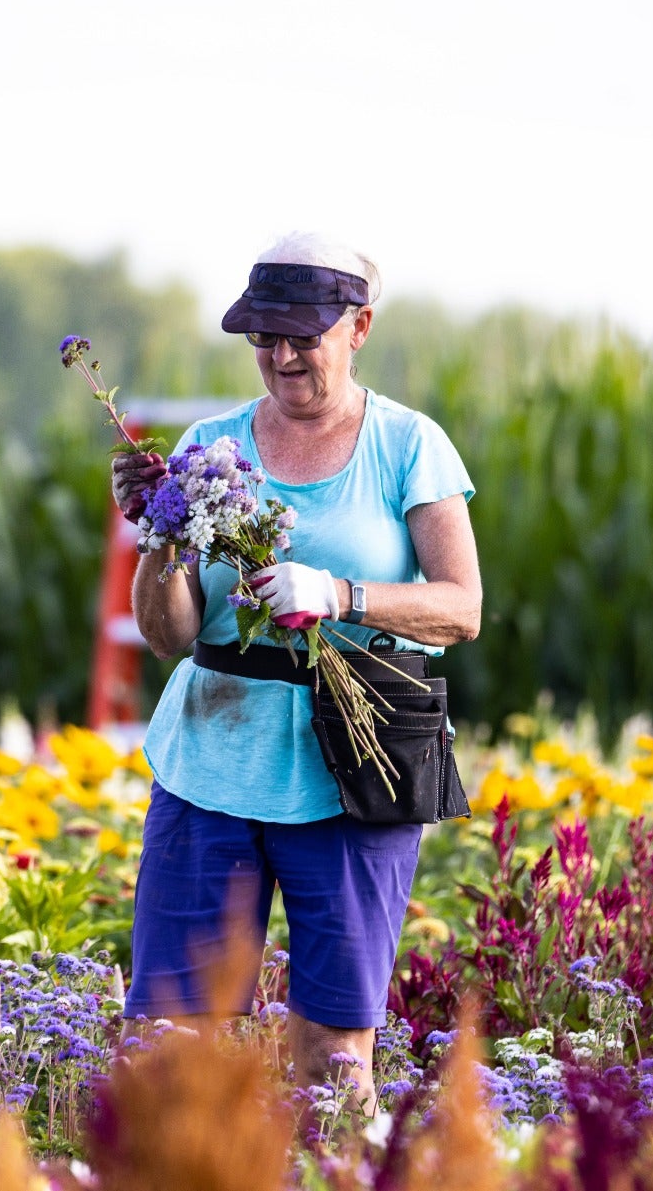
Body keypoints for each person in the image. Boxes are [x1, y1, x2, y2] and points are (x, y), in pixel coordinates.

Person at [110, 231, 482, 1106]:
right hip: (212, 764)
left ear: (359, 326)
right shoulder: (214, 443)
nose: (280, 357)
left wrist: (343, 595)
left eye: (301, 337)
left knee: (332, 1047)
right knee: (172, 1036)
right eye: (263, 338)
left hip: (357, 766)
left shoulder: (408, 446)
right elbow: (168, 636)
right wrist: (163, 533)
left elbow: (461, 606)